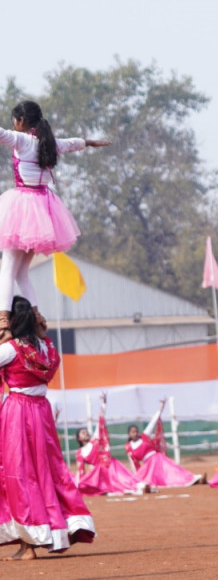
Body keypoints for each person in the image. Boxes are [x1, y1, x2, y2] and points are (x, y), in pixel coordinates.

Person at [0, 101, 109, 330]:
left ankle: (3, 321)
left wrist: (87, 142)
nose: (13, 125)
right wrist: (88, 142)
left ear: (21, 120)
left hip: (22, 208)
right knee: (21, 273)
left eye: (14, 121)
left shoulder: (21, 140)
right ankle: (37, 316)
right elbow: (70, 143)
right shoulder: (48, 142)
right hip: (43, 209)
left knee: (8, 268)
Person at [0, 296, 94, 557]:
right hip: (42, 412)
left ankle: (29, 543)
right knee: (48, 470)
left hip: (18, 412)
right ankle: (66, 525)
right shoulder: (46, 346)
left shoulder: (10, 349)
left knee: (19, 473)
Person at [75, 393, 148, 497]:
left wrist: (103, 404)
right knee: (102, 487)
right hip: (99, 473)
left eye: (86, 432)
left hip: (111, 465)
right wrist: (79, 484)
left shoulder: (95, 440)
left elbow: (100, 422)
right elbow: (80, 471)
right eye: (83, 433)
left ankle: (142, 486)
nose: (86, 433)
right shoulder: (79, 453)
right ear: (79, 438)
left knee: (125, 481)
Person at [126, 399, 204, 488]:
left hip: (158, 458)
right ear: (129, 434)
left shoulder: (144, 436)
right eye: (133, 432)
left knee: (173, 469)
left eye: (136, 431)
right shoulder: (129, 447)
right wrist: (137, 476)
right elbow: (133, 464)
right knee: (152, 481)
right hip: (148, 465)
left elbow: (153, 422)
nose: (135, 433)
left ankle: (191, 478)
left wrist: (161, 408)